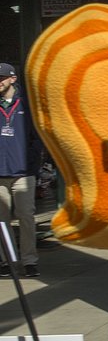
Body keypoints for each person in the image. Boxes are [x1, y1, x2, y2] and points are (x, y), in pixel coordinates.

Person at [0, 63, 42, 278]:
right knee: (1, 220)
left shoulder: (26, 105)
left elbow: (37, 138)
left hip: (23, 173)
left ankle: (29, 261)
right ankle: (7, 262)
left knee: (26, 217)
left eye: (2, 78)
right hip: (0, 175)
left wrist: (32, 165)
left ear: (12, 79)